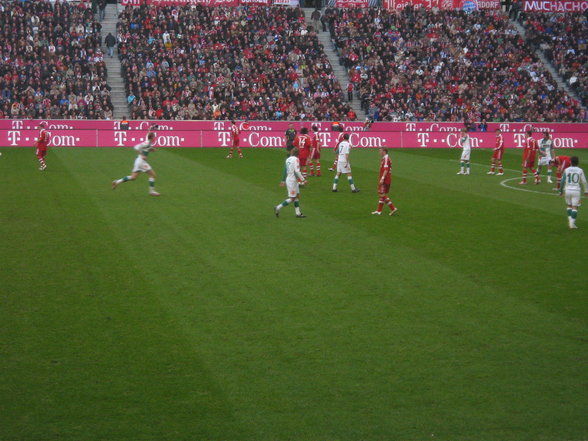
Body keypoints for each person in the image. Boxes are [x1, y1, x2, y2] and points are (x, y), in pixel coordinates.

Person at [112, 130, 160, 196]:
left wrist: (151, 149)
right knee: (152, 175)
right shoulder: (146, 143)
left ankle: (117, 182)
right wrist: (142, 155)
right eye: (154, 137)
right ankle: (151, 191)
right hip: (141, 162)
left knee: (133, 177)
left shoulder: (149, 143)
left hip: (138, 161)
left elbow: (146, 148)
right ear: (151, 137)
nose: (155, 138)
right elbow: (136, 147)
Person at [274, 148, 307, 218]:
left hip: (290, 179)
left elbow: (285, 170)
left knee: (297, 196)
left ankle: (298, 213)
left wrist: (283, 180)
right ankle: (278, 207)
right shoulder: (296, 159)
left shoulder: (288, 159)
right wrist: (303, 180)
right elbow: (297, 171)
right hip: (292, 181)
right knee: (292, 198)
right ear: (298, 154)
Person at [559, 156, 588, 229]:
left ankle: (570, 222)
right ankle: (572, 223)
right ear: (578, 162)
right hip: (576, 191)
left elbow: (562, 181)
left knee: (569, 205)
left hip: (567, 190)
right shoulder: (580, 170)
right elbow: (584, 181)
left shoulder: (567, 170)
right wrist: (586, 191)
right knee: (575, 207)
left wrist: (561, 191)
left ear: (570, 162)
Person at [372, 147, 398, 216]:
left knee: (381, 194)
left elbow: (386, 169)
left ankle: (393, 208)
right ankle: (379, 211)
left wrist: (382, 178)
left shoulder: (386, 159)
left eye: (380, 151)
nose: (379, 152)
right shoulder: (384, 158)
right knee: (382, 194)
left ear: (384, 151)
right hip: (386, 178)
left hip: (385, 179)